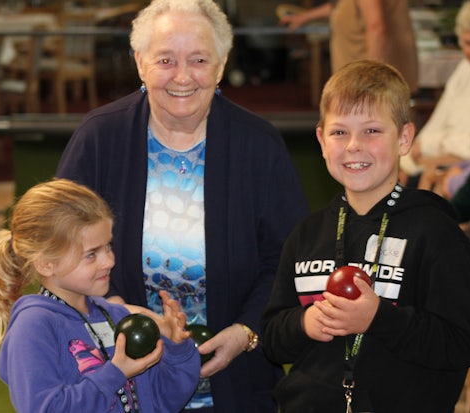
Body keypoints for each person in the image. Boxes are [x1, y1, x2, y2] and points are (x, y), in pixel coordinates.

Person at [55, 0, 310, 411]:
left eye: (198, 59)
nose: (182, 76)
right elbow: (58, 247)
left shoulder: (258, 145)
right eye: (165, 60)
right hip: (123, 384)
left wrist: (246, 331)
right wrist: (113, 310)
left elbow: (289, 257)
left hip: (236, 381)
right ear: (140, 63)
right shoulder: (99, 139)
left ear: (222, 64)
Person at [260, 60, 470, 412]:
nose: (353, 146)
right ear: (321, 140)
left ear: (405, 138)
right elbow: (272, 338)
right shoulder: (306, 235)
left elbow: (461, 344)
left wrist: (378, 319)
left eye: (372, 131)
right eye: (339, 132)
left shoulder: (435, 233)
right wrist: (304, 323)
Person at [0, 179, 200, 413]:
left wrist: (178, 349)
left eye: (108, 246)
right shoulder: (34, 325)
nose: (110, 261)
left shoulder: (116, 315)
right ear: (46, 264)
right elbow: (46, 408)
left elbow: (161, 400)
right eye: (92, 255)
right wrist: (116, 373)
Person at [400, 0, 470, 186]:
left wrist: (430, 147)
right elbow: (439, 119)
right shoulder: (466, 68)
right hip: (436, 156)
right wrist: (417, 151)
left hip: (467, 166)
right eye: (468, 43)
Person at [278, 0, 418, 92]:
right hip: (364, 80)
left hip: (366, 83)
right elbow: (344, 6)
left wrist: (373, 81)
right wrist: (305, 17)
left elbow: (376, 27)